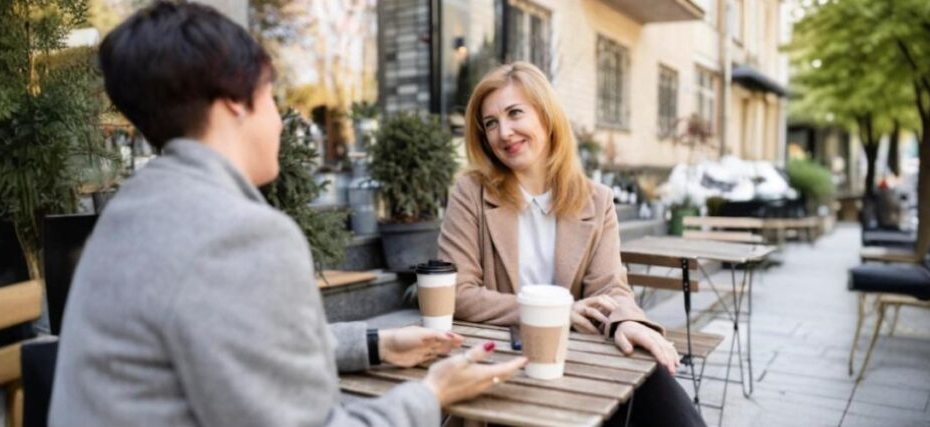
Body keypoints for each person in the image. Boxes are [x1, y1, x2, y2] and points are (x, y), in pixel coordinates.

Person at [48, 3, 525, 427]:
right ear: (235, 102)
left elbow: (240, 340)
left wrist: (377, 343)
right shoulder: (242, 235)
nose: (282, 120)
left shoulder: (131, 208)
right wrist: (430, 396)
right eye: (271, 96)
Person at [438, 61, 705, 427]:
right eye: (491, 123)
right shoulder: (471, 194)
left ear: (547, 117)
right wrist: (550, 313)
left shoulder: (596, 199)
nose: (504, 132)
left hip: (576, 361)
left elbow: (610, 286)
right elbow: (457, 292)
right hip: (502, 367)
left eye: (515, 113)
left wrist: (627, 320)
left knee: (658, 388)